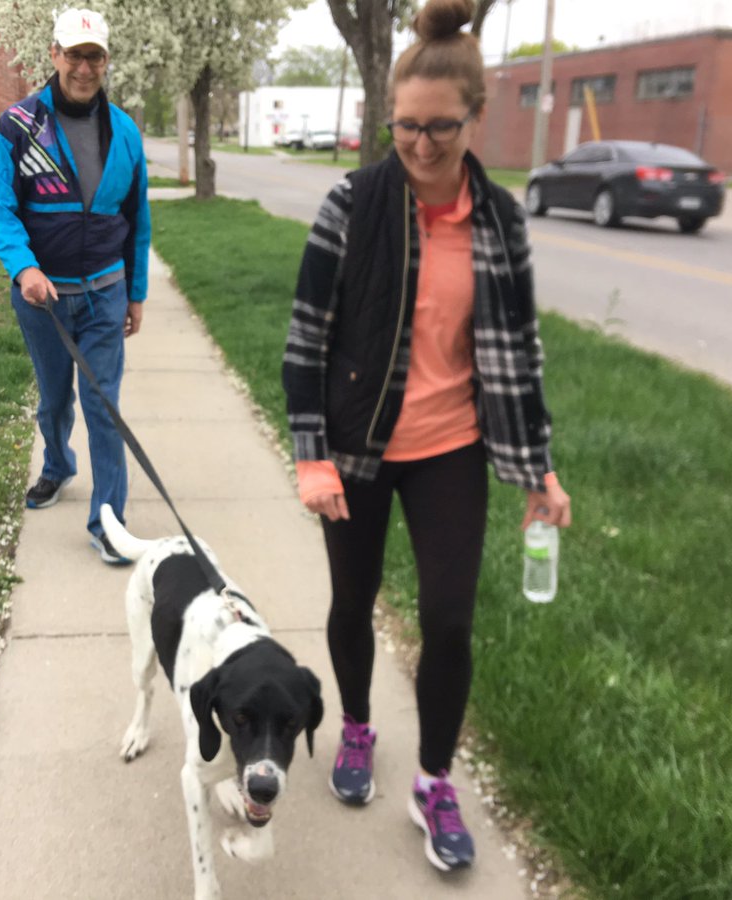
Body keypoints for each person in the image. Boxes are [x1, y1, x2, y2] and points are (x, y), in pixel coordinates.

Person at [281, 0, 572, 873]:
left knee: (448, 622)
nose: (419, 145)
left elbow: (517, 353)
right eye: (404, 126)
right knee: (351, 602)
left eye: (439, 128)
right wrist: (311, 456)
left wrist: (538, 471)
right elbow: (305, 341)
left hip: (450, 450)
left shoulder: (500, 222)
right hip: (357, 450)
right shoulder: (352, 204)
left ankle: (435, 781)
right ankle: (360, 729)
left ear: (476, 119)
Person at [0, 7, 150, 565]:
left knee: (103, 404)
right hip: (44, 296)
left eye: (94, 56)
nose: (84, 66)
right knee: (55, 397)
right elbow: (0, 208)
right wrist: (23, 267)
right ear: (54, 55)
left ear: (106, 61)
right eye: (75, 54)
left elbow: (137, 218)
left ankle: (109, 520)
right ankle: (57, 466)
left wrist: (137, 292)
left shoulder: (124, 132)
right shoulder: (17, 125)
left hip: (105, 289)